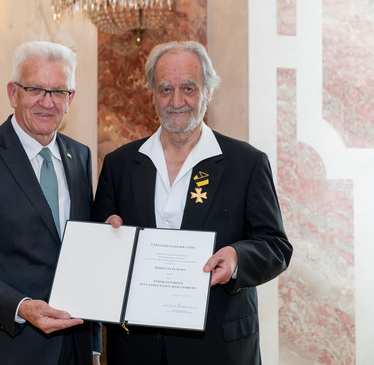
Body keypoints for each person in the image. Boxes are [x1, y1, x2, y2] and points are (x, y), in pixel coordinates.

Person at [92, 41, 293, 364]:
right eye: (165, 89)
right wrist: (105, 239)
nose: (176, 101)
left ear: (208, 91)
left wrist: (237, 257)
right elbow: (99, 253)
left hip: (219, 348)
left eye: (188, 88)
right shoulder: (120, 164)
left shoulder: (246, 163)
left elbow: (276, 246)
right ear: (152, 94)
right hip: (137, 349)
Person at [0, 41, 99, 364]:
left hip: (73, 349)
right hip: (3, 348)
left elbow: (84, 257)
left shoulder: (79, 156)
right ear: (13, 93)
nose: (47, 102)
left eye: (58, 92)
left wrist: (94, 347)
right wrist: (22, 306)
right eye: (35, 89)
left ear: (71, 100)